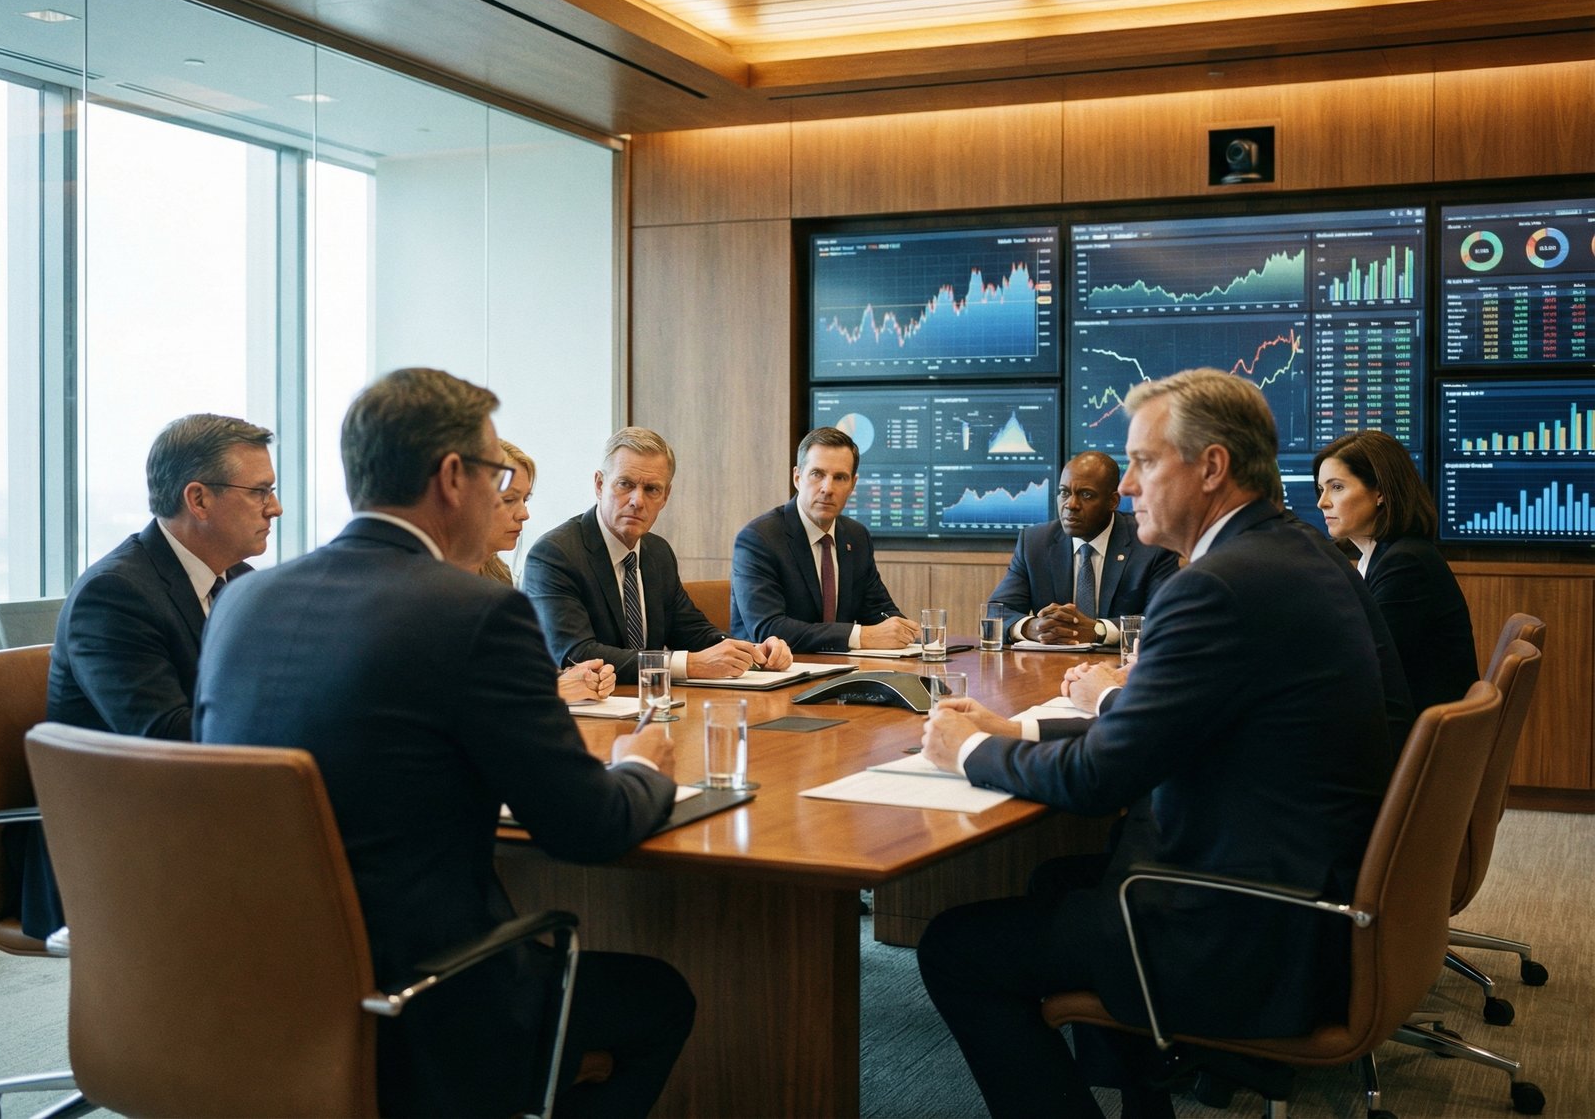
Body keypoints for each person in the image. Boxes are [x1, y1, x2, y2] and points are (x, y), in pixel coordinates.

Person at [194, 369, 694, 1117]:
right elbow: (588, 827)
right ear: (454, 478)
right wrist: (640, 766)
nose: (503, 497)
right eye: (498, 476)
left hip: (261, 983)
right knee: (664, 998)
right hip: (428, 989)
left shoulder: (241, 599)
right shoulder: (477, 611)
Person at [914, 369, 1393, 1119]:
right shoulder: (1299, 553)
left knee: (953, 947)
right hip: (1307, 890)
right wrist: (1019, 727)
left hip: (1238, 926)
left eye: (1143, 462)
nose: (1128, 486)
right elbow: (1177, 724)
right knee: (1054, 881)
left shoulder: (1213, 586)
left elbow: (1103, 778)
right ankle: (1147, 1103)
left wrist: (965, 751)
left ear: (1211, 467)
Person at [9, 413, 279, 940]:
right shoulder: (115, 596)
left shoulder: (239, 583)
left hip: (199, 816)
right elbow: (166, 740)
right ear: (197, 499)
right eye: (260, 491)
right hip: (117, 842)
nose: (275, 507)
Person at [524, 426, 791, 683]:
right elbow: (577, 654)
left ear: (665, 496)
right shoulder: (555, 555)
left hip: (652, 707)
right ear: (599, 484)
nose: (637, 500)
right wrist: (689, 665)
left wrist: (752, 652)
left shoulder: (657, 552)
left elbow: (692, 632)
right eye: (625, 484)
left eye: (651, 489)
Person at [1316, 429, 1477, 716]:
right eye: (1322, 489)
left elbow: (1365, 665)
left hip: (1409, 735)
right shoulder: (1386, 556)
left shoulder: (1406, 564)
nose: (1323, 502)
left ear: (1380, 492)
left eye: (1337, 487)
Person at [729, 426, 920, 653]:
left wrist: (904, 630)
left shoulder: (856, 536)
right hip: (776, 676)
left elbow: (878, 608)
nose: (827, 488)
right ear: (797, 478)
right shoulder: (759, 539)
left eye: (839, 477)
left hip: (842, 672)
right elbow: (768, 628)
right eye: (817, 474)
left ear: (852, 485)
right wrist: (859, 635)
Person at [987, 450, 1180, 646]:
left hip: (1121, 668)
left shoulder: (1151, 543)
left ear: (1113, 501)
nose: (1071, 504)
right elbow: (995, 612)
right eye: (1064, 492)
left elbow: (1167, 617)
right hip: (1051, 666)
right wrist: (1033, 627)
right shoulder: (1035, 542)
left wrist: (1098, 630)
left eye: (1086, 495)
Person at [479, 439, 615, 705]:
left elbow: (512, 670)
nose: (524, 514)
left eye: (525, 499)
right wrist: (554, 690)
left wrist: (575, 677)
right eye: (509, 500)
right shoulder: (434, 587)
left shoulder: (499, 574)